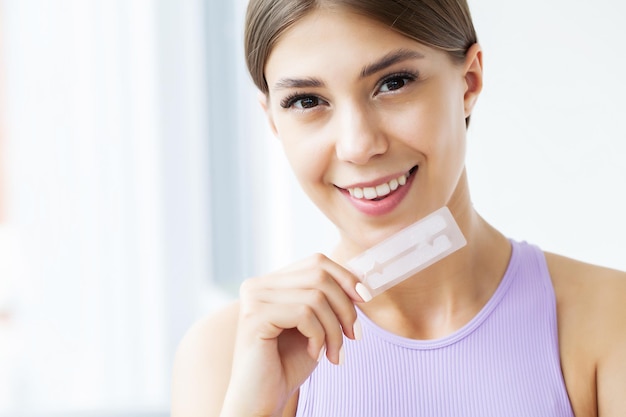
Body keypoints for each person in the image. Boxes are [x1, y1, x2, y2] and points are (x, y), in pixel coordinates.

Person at [171, 1, 626, 416]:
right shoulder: (228, 357)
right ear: (273, 120)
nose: (358, 145)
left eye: (394, 83)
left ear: (469, 83)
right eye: (307, 101)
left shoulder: (609, 320)